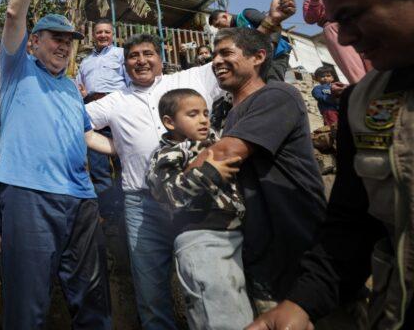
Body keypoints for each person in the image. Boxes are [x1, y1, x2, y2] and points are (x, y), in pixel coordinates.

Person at [247, 0, 414, 330]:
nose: (348, 38)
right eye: (336, 22)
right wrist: (301, 305)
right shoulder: (364, 100)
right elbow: (352, 225)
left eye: (354, 17)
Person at [0, 0, 112, 329]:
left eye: (69, 41)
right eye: (55, 39)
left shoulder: (70, 87)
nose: (64, 46)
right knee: (27, 306)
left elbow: (88, 137)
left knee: (94, 302)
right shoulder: (16, 69)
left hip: (80, 198)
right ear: (35, 42)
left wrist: (131, 147)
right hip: (28, 194)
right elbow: (12, 13)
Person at [85, 33, 225, 329]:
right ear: (125, 66)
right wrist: (115, 147)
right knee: (150, 294)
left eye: (148, 53)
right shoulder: (113, 101)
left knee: (209, 283)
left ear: (160, 58)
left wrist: (270, 24)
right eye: (133, 56)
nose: (141, 60)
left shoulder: (191, 79)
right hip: (141, 204)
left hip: (196, 200)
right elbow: (76, 125)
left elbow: (234, 62)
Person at [190, 27, 326, 312]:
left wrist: (175, 180)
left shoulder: (278, 95)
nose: (216, 61)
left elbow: (227, 153)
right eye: (214, 55)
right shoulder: (228, 113)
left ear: (259, 57)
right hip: (261, 256)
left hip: (299, 253)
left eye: (226, 53)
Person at [145, 88, 250, 330]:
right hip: (202, 240)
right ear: (169, 122)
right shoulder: (167, 153)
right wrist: (209, 173)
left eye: (205, 113)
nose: (203, 119)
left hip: (234, 236)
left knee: (240, 313)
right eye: (192, 114)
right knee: (218, 318)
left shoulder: (213, 142)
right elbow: (167, 194)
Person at [75, 18, 128, 221]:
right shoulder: (85, 62)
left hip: (117, 108)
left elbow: (130, 82)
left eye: (107, 32)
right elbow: (80, 88)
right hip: (93, 111)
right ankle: (108, 213)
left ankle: (126, 208)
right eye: (99, 32)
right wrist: (83, 93)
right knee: (98, 166)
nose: (103, 35)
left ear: (112, 35)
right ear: (94, 35)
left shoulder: (121, 55)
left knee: (123, 160)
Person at [303, 0, 371, 84]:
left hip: (357, 22)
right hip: (334, 28)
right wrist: (316, 0)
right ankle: (364, 91)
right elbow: (310, 19)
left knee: (372, 60)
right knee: (352, 65)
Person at [209, 0, 297, 81]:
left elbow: (275, 25)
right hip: (259, 60)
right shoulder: (233, 34)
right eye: (217, 27)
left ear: (224, 17)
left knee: (273, 82)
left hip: (277, 54)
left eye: (219, 24)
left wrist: (271, 47)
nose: (220, 28)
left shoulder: (246, 14)